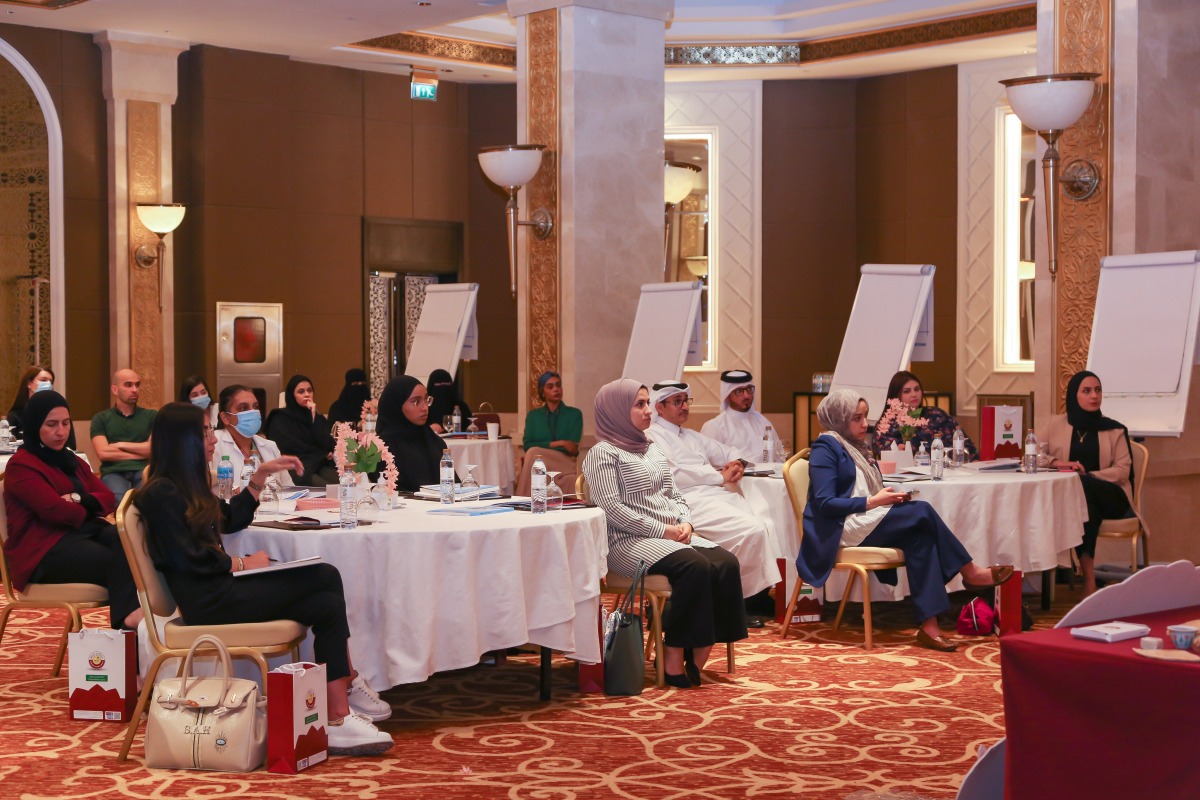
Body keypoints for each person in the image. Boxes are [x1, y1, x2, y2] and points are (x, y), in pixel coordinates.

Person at [132, 403, 393, 755]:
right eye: (205, 432)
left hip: (218, 591)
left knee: (325, 601)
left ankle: (337, 713)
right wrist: (241, 563)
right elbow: (184, 558)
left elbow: (229, 518)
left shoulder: (184, 485)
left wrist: (259, 477)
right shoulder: (160, 493)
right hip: (209, 603)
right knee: (324, 575)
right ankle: (343, 693)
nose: (213, 439)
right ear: (182, 441)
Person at [800, 389, 1015, 652]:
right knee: (921, 511)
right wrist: (873, 501)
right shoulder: (825, 447)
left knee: (920, 537)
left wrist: (884, 498)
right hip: (840, 527)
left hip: (865, 518)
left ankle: (930, 627)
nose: (864, 423)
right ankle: (970, 573)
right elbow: (825, 504)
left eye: (865, 416)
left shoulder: (856, 446)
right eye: (856, 418)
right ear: (838, 419)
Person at [582, 378, 747, 688]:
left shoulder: (651, 447)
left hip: (670, 534)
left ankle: (701, 650)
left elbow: (675, 494)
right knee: (694, 567)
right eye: (639, 404)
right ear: (617, 410)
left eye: (647, 403)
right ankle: (672, 653)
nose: (648, 411)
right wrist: (663, 530)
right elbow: (611, 509)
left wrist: (686, 522)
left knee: (726, 563)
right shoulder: (603, 453)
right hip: (627, 542)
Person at [646, 380, 781, 625]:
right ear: (660, 407)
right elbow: (673, 474)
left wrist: (736, 464)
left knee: (768, 524)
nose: (684, 406)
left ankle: (754, 596)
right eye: (677, 402)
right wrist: (719, 476)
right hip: (685, 501)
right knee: (750, 530)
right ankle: (734, 605)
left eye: (686, 401)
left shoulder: (690, 435)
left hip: (715, 495)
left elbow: (728, 451)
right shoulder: (651, 437)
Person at [2, 390, 139, 629]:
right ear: (35, 425)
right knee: (118, 559)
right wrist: (88, 505)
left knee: (131, 540)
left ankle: (134, 626)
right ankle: (129, 626)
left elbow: (108, 499)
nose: (61, 432)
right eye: (52, 424)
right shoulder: (21, 466)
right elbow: (56, 512)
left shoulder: (71, 460)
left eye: (66, 423)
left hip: (80, 534)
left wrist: (77, 499)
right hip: (42, 552)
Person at [1037, 370, 1135, 595]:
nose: (1094, 396)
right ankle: (1089, 577)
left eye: (1098, 390)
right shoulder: (1055, 424)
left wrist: (1089, 476)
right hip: (1077, 500)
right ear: (1074, 394)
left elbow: (1122, 471)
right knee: (1085, 506)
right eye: (1087, 391)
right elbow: (1033, 455)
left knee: (1081, 488)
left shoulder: (1115, 429)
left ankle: (1086, 576)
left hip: (1113, 497)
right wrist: (1059, 462)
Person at [376, 375, 457, 493]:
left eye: (426, 400)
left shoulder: (433, 441)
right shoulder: (382, 447)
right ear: (397, 405)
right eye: (415, 402)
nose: (425, 407)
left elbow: (453, 485)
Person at [874, 371, 978, 460]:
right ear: (896, 395)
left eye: (917, 389)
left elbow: (967, 446)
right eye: (907, 391)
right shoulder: (886, 424)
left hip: (946, 471)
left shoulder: (936, 415)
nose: (914, 394)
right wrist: (896, 451)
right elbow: (882, 453)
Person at [213, 384, 294, 489]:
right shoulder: (213, 444)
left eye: (255, 407)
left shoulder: (270, 446)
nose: (252, 412)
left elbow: (289, 490)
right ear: (225, 418)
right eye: (243, 408)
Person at [90, 369, 155, 496]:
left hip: (144, 470)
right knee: (118, 499)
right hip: (113, 472)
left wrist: (120, 445)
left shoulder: (152, 416)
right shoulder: (101, 418)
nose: (134, 389)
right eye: (128, 385)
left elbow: (152, 449)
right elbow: (103, 453)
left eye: (137, 385)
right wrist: (142, 453)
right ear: (115, 389)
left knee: (148, 498)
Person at [517, 371, 584, 496]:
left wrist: (541, 445)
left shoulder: (574, 414)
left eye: (558, 385)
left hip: (565, 461)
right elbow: (527, 445)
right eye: (550, 387)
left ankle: (523, 500)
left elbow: (572, 447)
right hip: (540, 459)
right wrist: (561, 443)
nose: (556, 389)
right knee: (534, 454)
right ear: (543, 391)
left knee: (534, 453)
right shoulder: (533, 416)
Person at [266, 374, 338, 486]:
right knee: (326, 488)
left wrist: (313, 417)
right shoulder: (280, 418)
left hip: (318, 464)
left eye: (310, 390)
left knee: (342, 483)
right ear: (292, 395)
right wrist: (321, 453)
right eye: (301, 391)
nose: (307, 394)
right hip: (295, 467)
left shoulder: (318, 418)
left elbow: (329, 445)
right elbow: (292, 446)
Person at [700, 370, 783, 463]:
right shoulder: (715, 427)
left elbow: (779, 457)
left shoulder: (762, 421)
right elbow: (707, 465)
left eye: (749, 389)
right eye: (739, 391)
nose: (746, 396)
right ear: (727, 396)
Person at [7, 365, 76, 449]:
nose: (48, 384)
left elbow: (71, 445)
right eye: (43, 380)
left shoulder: (59, 412)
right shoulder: (15, 416)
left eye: (51, 381)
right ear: (29, 383)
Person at [426, 368, 471, 434]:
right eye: (438, 384)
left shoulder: (461, 407)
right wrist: (428, 428)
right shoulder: (424, 408)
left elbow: (467, 429)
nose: (442, 390)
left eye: (446, 384)